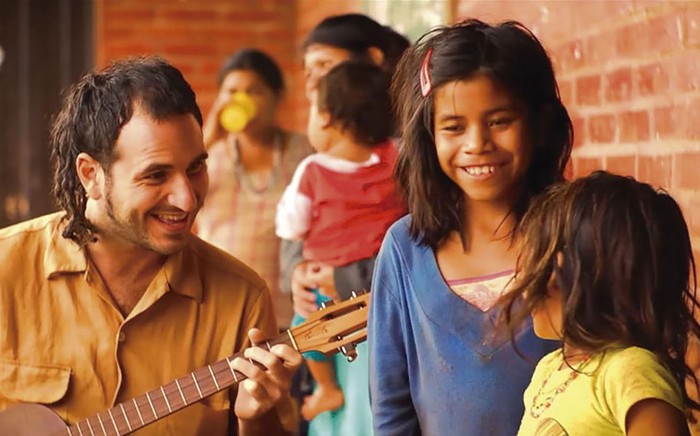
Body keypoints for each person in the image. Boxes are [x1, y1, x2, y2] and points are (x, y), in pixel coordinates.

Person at [0, 56, 302, 435]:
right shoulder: (6, 269)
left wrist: (258, 421)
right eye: (156, 175)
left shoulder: (243, 299)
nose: (187, 200)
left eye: (195, 168)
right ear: (91, 175)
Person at [368, 19, 573, 435]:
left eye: (499, 121)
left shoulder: (576, 233)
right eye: (454, 127)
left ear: (538, 124)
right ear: (428, 136)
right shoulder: (405, 250)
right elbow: (392, 409)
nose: (476, 143)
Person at [498, 171, 699, 435]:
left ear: (561, 274)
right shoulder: (549, 369)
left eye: (532, 261)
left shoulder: (630, 370)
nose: (522, 276)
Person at [275, 61, 405, 423]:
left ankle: (326, 388)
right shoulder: (395, 161)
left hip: (325, 292)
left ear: (327, 117)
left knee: (305, 335)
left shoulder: (314, 170)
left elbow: (289, 223)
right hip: (380, 295)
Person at [195, 49, 312, 329]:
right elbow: (174, 193)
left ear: (277, 97)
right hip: (220, 313)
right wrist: (209, 137)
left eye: (254, 91)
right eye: (232, 91)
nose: (242, 100)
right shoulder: (206, 156)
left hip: (287, 314)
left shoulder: (304, 152)